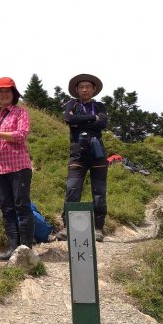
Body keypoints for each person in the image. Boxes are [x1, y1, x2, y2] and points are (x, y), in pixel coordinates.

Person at [0, 77, 33, 260]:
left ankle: (26, 250)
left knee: (22, 207)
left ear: (13, 94)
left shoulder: (20, 113)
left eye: (7, 91)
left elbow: (22, 135)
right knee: (6, 208)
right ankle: (13, 248)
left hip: (18, 167)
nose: (3, 94)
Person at [63, 73, 109, 242]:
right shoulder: (72, 104)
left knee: (99, 192)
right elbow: (69, 118)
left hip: (98, 155)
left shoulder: (100, 106)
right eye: (81, 87)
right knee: (72, 189)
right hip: (77, 155)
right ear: (76, 89)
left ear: (94, 89)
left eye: (88, 87)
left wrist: (79, 122)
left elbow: (103, 123)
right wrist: (92, 119)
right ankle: (67, 227)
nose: (84, 89)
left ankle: (98, 228)